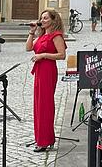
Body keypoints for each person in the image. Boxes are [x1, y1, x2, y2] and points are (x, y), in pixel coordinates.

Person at [25, 8, 67, 152]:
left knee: (45, 105)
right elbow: (28, 47)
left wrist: (42, 56)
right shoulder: (41, 36)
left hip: (48, 71)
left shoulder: (56, 36)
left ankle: (45, 140)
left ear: (53, 20)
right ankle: (42, 138)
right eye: (41, 18)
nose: (42, 20)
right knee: (38, 105)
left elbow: (62, 55)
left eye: (45, 18)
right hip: (39, 72)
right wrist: (32, 31)